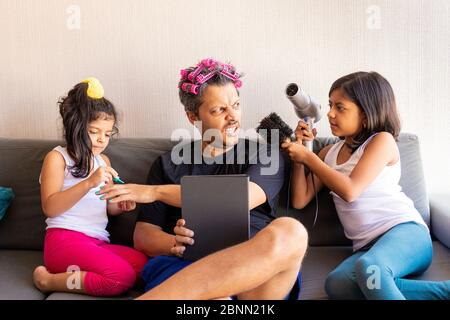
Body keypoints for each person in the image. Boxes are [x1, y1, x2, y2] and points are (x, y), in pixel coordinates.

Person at [98, 58, 308, 300]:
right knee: (217, 298)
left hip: (253, 264)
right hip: (188, 265)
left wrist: (155, 192)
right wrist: (174, 243)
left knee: (292, 231)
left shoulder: (266, 154)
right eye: (219, 110)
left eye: (236, 105)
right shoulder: (168, 164)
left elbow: (240, 199)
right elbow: (143, 236)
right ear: (192, 116)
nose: (233, 117)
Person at [282, 71, 450, 300]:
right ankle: (442, 292)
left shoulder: (381, 141)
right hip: (367, 248)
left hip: (406, 233)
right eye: (330, 105)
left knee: (371, 268)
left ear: (365, 114)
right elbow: (300, 199)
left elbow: (351, 190)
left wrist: (309, 159)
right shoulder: (328, 154)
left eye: (340, 108)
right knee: (338, 284)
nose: (330, 113)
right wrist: (302, 153)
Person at [32, 78, 148, 296]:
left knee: (146, 268)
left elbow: (109, 206)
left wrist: (121, 204)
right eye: (94, 131)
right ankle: (48, 281)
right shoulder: (57, 158)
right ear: (76, 126)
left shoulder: (103, 161)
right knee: (121, 277)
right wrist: (89, 182)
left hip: (97, 242)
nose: (101, 139)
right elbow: (50, 207)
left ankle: (86, 272)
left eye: (107, 133)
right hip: (64, 240)